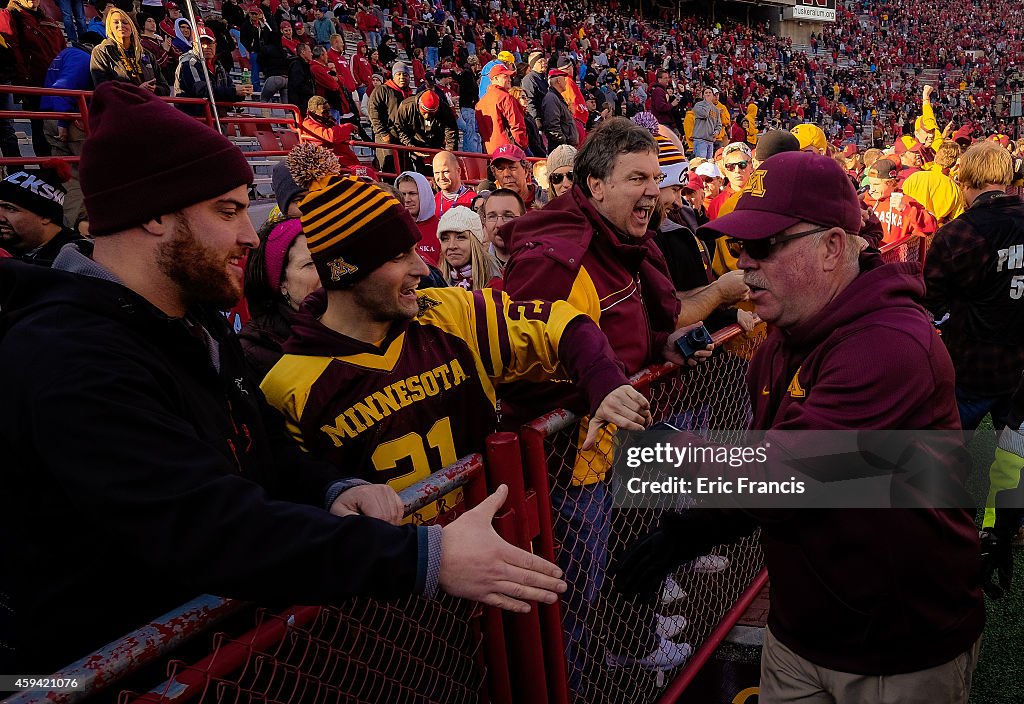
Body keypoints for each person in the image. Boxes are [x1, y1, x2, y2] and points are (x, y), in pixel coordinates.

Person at [0, 81, 567, 674]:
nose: (250, 233)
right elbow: (207, 525)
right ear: (154, 216)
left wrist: (329, 487)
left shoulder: (188, 323)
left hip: (217, 658)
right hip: (123, 674)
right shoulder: (67, 357)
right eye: (227, 210)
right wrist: (423, 556)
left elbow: (257, 443)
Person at [618, 151, 985, 704]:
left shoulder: (889, 344)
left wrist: (666, 483)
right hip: (801, 632)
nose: (745, 265)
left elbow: (790, 471)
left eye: (765, 246)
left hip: (899, 645)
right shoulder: (780, 344)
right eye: (741, 248)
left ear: (833, 247)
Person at [502, 118, 695, 681]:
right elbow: (526, 359)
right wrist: (598, 384)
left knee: (612, 572)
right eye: (637, 178)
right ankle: (578, 687)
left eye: (656, 177)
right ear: (594, 186)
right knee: (574, 598)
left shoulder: (614, 243)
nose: (653, 192)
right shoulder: (555, 258)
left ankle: (616, 654)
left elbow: (618, 332)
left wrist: (665, 345)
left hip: (607, 450)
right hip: (567, 464)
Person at [923, 141, 1024, 433]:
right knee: (1014, 457)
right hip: (1017, 366)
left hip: (971, 365)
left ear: (965, 181)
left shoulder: (959, 231)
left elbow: (930, 298)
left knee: (941, 452)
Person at [239, 217, 321, 377]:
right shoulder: (257, 353)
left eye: (326, 258)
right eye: (309, 264)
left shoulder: (357, 324)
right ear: (281, 283)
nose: (326, 270)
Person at [0, 0, 66, 158]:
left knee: (57, 131)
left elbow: (63, 50)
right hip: (34, 84)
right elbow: (13, 50)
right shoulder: (11, 16)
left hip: (56, 83)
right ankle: (42, 173)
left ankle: (60, 176)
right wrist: (25, 80)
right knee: (39, 131)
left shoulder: (48, 19)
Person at [0, 164, 82, 265]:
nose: (1, 217)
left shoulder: (77, 258)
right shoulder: (8, 246)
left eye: (10, 209)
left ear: (46, 216)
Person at [175, 26, 252, 116]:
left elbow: (229, 88)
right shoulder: (188, 63)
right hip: (195, 118)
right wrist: (234, 91)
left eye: (210, 43)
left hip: (217, 117)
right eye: (202, 44)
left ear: (215, 44)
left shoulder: (218, 65)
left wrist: (242, 92)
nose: (207, 47)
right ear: (195, 45)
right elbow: (201, 91)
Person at [90, 8, 170, 95]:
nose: (121, 25)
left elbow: (165, 88)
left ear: (132, 27)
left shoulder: (146, 54)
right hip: (122, 106)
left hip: (150, 104)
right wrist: (136, 91)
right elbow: (103, 89)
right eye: (116, 22)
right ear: (109, 27)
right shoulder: (101, 52)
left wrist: (155, 89)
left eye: (125, 22)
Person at [862, 158, 937, 246]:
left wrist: (906, 209)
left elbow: (931, 226)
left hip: (896, 257)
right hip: (869, 256)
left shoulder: (906, 202)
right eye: (871, 184)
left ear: (891, 182)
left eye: (876, 184)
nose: (872, 189)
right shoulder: (864, 201)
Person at [394, 89, 458, 173]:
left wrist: (448, 152)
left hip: (436, 145)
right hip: (415, 143)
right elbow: (400, 129)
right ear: (419, 105)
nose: (427, 116)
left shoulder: (444, 109)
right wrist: (411, 147)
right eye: (424, 112)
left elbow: (451, 132)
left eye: (431, 113)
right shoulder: (406, 106)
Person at [436, 205, 499, 290]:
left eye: (461, 237)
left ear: (475, 242)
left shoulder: (495, 285)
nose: (451, 246)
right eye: (445, 239)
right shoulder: (435, 284)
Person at [368, 62, 411, 173]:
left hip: (403, 139)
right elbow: (373, 112)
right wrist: (383, 134)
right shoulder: (382, 90)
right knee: (389, 171)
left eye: (405, 75)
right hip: (387, 140)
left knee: (403, 172)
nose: (402, 77)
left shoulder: (408, 94)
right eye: (399, 74)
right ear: (393, 75)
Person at [476, 62, 527, 155]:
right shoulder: (506, 98)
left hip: (489, 151)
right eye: (505, 76)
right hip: (508, 151)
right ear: (495, 78)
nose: (509, 79)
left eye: (509, 76)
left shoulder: (481, 102)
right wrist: (521, 146)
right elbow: (517, 125)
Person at [299, 96, 362, 169]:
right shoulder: (308, 124)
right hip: (332, 164)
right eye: (324, 112)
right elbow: (331, 136)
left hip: (342, 162)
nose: (329, 114)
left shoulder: (326, 121)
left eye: (329, 110)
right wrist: (349, 126)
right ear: (313, 112)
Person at [396, 170, 440, 266]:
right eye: (402, 194)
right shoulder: (394, 228)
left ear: (424, 194)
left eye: (412, 193)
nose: (407, 200)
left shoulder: (441, 228)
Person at [481, 187, 524, 277]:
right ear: (484, 222)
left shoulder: (538, 264)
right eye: (492, 216)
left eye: (508, 216)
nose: (499, 224)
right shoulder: (477, 267)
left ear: (524, 219)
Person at [707, 142, 754, 220]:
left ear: (751, 166)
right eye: (730, 166)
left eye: (742, 165)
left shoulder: (763, 197)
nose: (737, 170)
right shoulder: (716, 204)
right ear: (724, 170)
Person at [489, 144, 543, 209]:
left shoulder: (548, 201)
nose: (506, 174)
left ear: (525, 171)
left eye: (512, 168)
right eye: (500, 169)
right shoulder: (490, 206)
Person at [542, 67, 578, 153]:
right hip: (561, 149)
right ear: (558, 81)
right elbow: (552, 126)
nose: (566, 82)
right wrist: (563, 144)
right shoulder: (551, 98)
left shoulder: (556, 98)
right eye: (564, 79)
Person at [432, 150, 476, 217]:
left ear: (458, 171)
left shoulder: (473, 200)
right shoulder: (432, 201)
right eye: (437, 173)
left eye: (446, 172)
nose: (441, 177)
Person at [287, 43, 316, 118]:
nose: (312, 54)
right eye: (309, 51)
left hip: (306, 103)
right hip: (300, 104)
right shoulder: (297, 65)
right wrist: (311, 93)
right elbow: (298, 84)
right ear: (303, 52)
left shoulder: (305, 65)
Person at [691, 87, 721, 160]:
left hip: (710, 141)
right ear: (703, 95)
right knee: (700, 164)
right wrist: (707, 103)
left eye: (710, 93)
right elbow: (704, 114)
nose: (708, 94)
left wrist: (717, 131)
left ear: (713, 95)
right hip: (700, 140)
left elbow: (719, 124)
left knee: (708, 166)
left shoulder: (716, 110)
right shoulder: (698, 105)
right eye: (706, 93)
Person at [521, 50, 548, 123]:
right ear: (533, 64)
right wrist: (536, 119)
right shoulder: (529, 79)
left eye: (544, 62)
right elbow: (530, 101)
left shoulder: (544, 77)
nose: (544, 64)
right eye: (540, 62)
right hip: (540, 118)